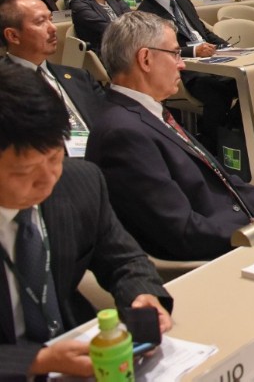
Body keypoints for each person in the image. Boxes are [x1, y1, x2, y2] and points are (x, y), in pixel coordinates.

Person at [0, 64, 173, 379]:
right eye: (24, 172)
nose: (47, 180)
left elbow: (124, 260)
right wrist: (37, 361)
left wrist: (142, 295)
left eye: (54, 158)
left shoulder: (80, 183)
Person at [86, 12, 254, 261]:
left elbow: (219, 176)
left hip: (244, 221)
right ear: (145, 59)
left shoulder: (147, 112)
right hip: (226, 250)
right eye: (175, 54)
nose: (182, 64)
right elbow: (182, 231)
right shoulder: (122, 133)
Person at [137, 0, 236, 154]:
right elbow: (158, 50)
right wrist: (193, 51)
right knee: (217, 91)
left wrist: (229, 48)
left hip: (213, 63)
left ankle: (232, 135)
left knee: (244, 85)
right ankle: (210, 147)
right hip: (184, 73)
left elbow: (203, 31)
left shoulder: (181, 0)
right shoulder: (146, 13)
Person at [0, 0, 106, 138]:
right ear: (13, 35)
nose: (53, 28)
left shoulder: (81, 77)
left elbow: (110, 123)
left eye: (50, 19)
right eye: (40, 22)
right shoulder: (4, 85)